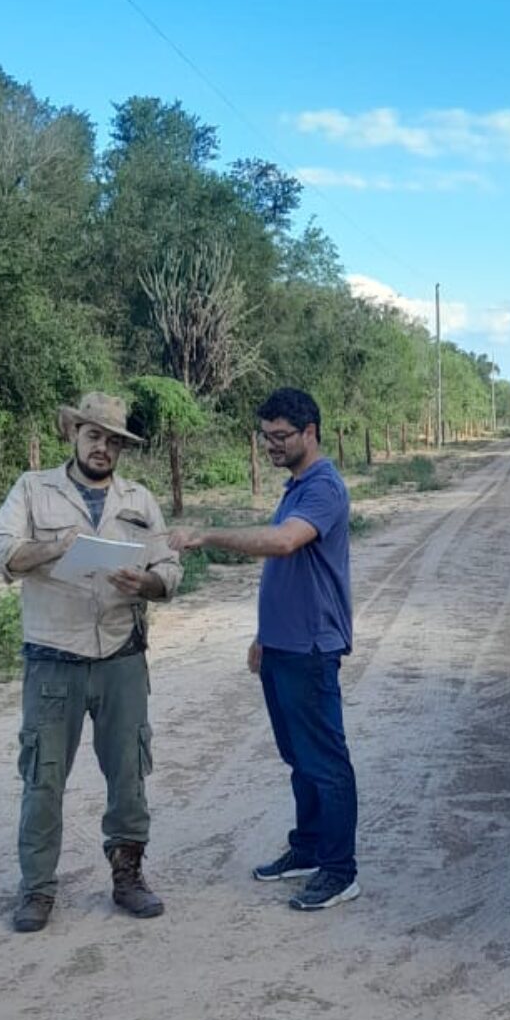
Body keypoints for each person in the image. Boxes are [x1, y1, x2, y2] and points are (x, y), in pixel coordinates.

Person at [0, 391, 181, 932]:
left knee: (128, 773)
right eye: (94, 435)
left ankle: (129, 878)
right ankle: (37, 890)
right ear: (72, 434)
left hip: (122, 654)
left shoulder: (139, 499)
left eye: (114, 440)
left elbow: (169, 566)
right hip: (54, 658)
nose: (103, 447)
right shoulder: (31, 490)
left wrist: (150, 582)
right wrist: (57, 547)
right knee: (44, 777)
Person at [168, 387, 359, 911]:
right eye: (266, 436)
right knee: (299, 758)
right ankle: (309, 851)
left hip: (312, 648)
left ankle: (340, 871)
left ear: (310, 433)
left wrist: (207, 537)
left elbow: (282, 544)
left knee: (326, 762)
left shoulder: (324, 487)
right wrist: (263, 636)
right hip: (281, 646)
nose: (272, 445)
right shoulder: (295, 485)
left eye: (281, 436)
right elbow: (289, 575)